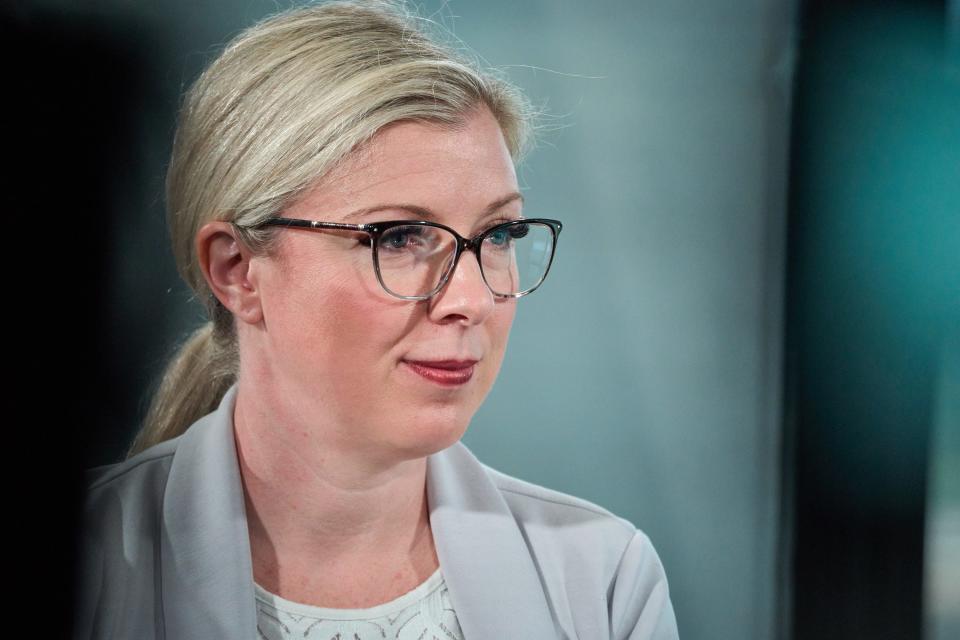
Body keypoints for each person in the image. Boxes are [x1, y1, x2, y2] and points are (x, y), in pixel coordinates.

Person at [72, 2, 679, 638]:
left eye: (498, 234)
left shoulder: (603, 578)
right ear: (237, 270)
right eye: (399, 238)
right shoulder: (77, 570)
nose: (470, 300)